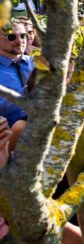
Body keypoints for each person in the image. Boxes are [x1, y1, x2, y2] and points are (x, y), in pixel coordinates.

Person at [0, 20, 33, 150]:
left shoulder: (37, 62)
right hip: (10, 135)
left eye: (23, 36)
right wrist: (26, 92)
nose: (20, 41)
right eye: (11, 37)